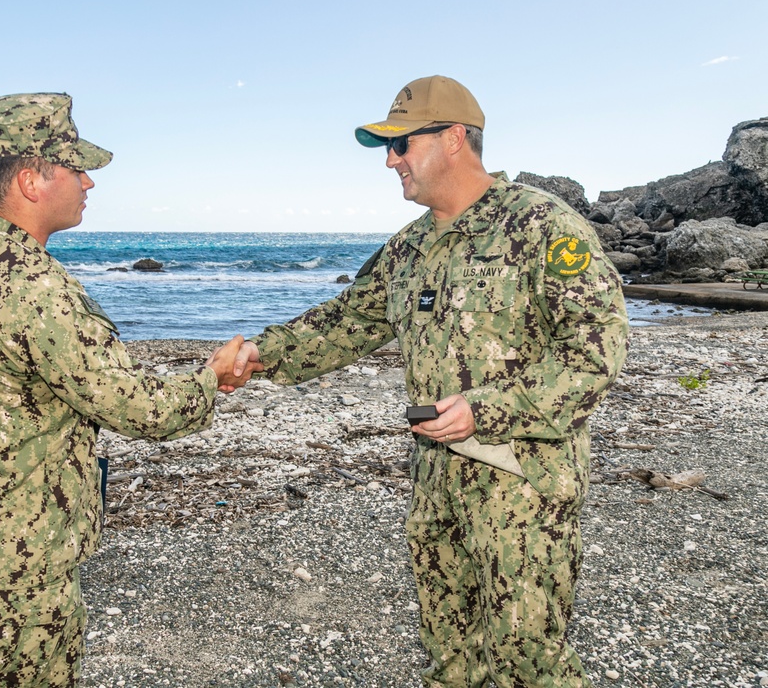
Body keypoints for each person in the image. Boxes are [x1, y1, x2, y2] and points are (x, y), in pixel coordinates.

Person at [231, 75, 629, 686]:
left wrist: (485, 408)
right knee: (449, 652)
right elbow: (345, 321)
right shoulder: (410, 247)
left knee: (528, 659)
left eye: (400, 145)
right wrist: (260, 355)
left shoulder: (543, 227)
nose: (390, 161)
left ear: (451, 139)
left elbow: (594, 353)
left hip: (521, 480)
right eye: (387, 149)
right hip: (436, 477)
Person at [0, 92, 258, 687]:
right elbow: (138, 408)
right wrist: (212, 378)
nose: (87, 183)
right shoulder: (32, 286)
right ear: (30, 180)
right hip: (25, 532)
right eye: (75, 168)